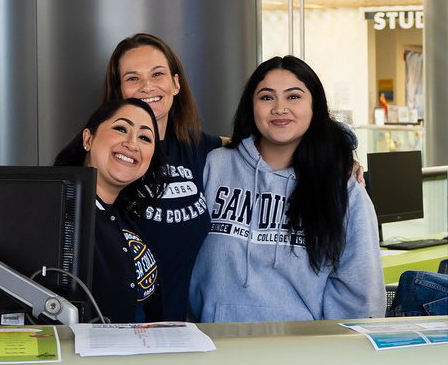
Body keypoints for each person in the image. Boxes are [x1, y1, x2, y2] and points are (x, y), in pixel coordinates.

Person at [188, 56, 385, 323]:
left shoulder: (341, 185)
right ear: (252, 106)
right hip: (216, 346)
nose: (280, 108)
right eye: (267, 97)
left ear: (314, 105)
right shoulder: (216, 165)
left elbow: (360, 291)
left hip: (303, 355)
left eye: (294, 97)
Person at [101, 34, 224, 321]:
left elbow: (262, 145)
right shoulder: (108, 151)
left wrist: (338, 151)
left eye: (157, 74)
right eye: (133, 78)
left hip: (183, 327)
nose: (147, 86)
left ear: (176, 84)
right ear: (119, 91)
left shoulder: (196, 145)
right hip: (123, 329)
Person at [54, 98, 164, 323]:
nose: (132, 144)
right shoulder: (56, 213)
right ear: (88, 138)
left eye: (144, 137)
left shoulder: (127, 215)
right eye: (121, 128)